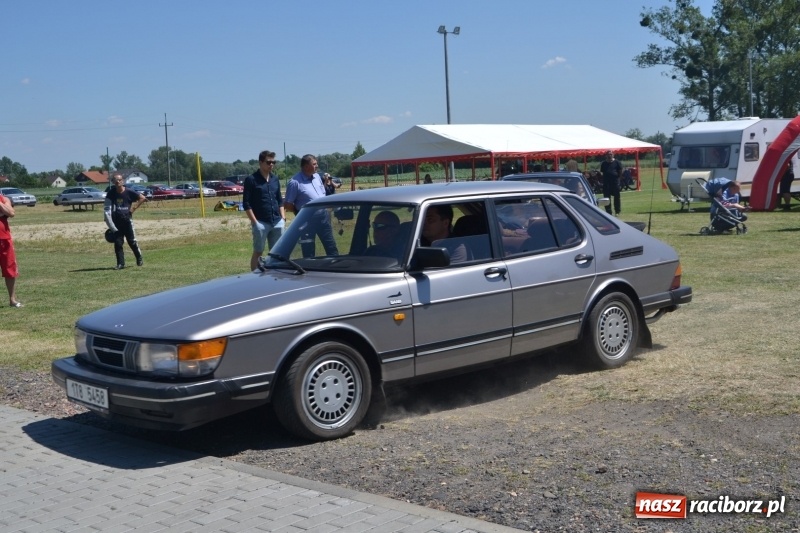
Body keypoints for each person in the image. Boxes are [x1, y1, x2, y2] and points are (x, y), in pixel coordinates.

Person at [284, 154, 339, 257]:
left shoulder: (317, 177)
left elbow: (322, 194)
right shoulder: (295, 182)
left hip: (324, 217)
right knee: (308, 250)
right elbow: (287, 204)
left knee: (331, 246)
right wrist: (300, 212)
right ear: (305, 166)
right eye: (314, 164)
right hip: (307, 220)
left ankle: (337, 269)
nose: (317, 166)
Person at [243, 150, 286, 270]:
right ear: (260, 162)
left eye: (274, 162)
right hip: (261, 222)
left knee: (277, 252)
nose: (271, 165)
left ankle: (276, 274)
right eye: (268, 162)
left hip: (277, 221)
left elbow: (279, 200)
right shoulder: (251, 180)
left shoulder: (275, 179)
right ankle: (254, 277)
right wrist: (255, 222)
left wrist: (283, 218)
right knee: (258, 251)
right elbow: (246, 203)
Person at [104, 173, 146, 269]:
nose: (117, 181)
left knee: (132, 241)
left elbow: (142, 198)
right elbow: (107, 208)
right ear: (113, 182)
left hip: (127, 221)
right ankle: (120, 264)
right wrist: (109, 221)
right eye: (115, 180)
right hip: (116, 222)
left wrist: (132, 209)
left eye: (119, 180)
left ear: (122, 181)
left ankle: (139, 258)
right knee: (118, 243)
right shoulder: (111, 193)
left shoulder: (129, 192)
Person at [0, 192, 22, 307]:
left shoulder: (4, 199)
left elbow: (11, 213)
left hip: (4, 238)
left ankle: (12, 300)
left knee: (10, 269)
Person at [600, 150, 623, 216]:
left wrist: (619, 180)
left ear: (613, 155)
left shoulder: (617, 162)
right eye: (608, 154)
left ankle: (617, 211)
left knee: (617, 197)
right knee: (606, 198)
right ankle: (608, 212)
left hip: (615, 183)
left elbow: (620, 171)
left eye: (611, 154)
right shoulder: (604, 163)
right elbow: (602, 172)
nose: (609, 155)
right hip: (606, 183)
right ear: (606, 155)